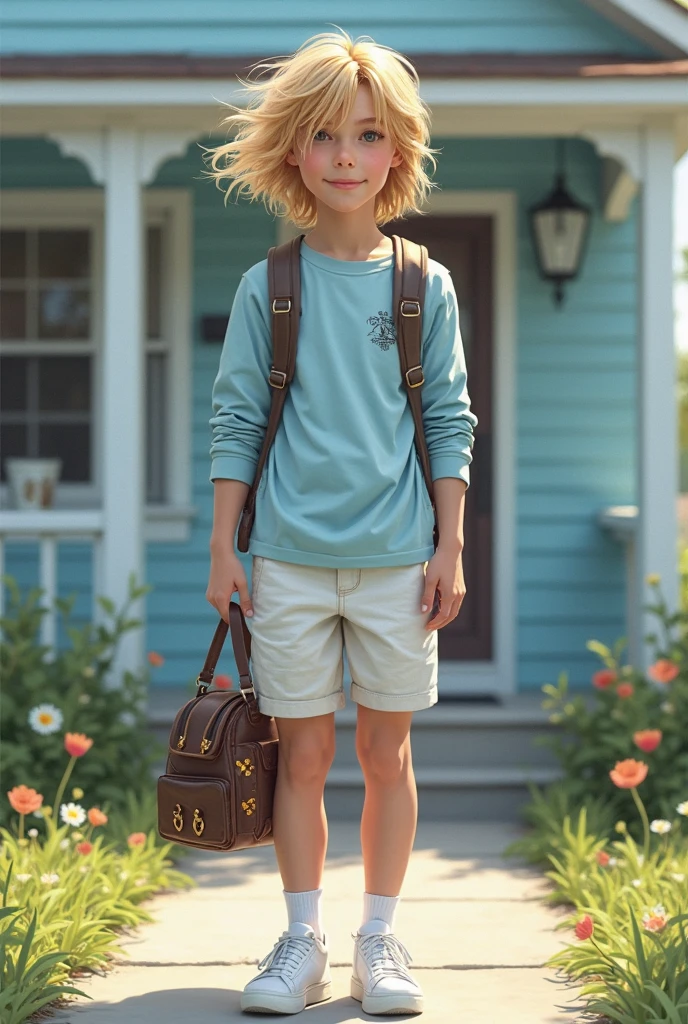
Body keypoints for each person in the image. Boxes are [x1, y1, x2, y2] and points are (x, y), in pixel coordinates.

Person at [203, 27, 478, 1017]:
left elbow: (447, 419)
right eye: (324, 137)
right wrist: (223, 546)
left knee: (384, 754)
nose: (346, 157)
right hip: (284, 561)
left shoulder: (423, 286)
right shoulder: (265, 286)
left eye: (365, 136)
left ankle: (378, 940)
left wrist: (451, 544)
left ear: (395, 152)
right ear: (295, 155)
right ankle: (303, 940)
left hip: (400, 561)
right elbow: (236, 418)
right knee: (303, 757)